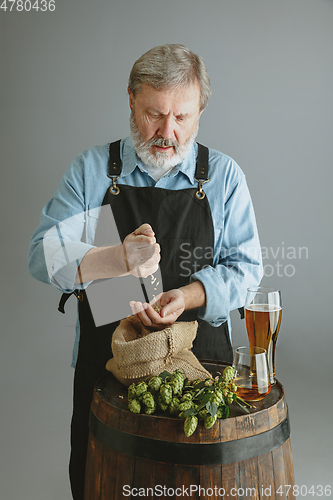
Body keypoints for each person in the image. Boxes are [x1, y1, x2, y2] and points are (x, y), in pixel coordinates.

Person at [28, 44, 263, 500]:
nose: (168, 132)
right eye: (154, 114)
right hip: (110, 371)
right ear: (131, 100)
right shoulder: (94, 171)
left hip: (200, 374)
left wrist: (189, 295)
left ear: (199, 113)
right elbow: (42, 258)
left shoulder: (223, 177)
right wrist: (116, 259)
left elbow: (247, 270)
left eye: (183, 117)